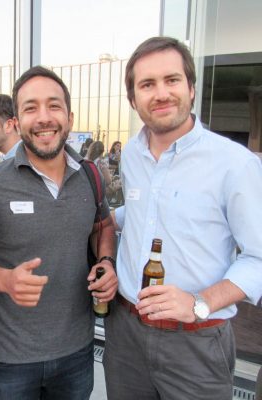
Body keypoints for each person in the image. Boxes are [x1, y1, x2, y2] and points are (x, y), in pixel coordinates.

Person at [103, 36, 262, 400]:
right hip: (125, 334)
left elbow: (258, 257)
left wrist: (199, 302)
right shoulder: (132, 155)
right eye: (147, 84)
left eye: (171, 80)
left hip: (196, 341)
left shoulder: (235, 164)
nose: (161, 93)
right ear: (133, 99)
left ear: (191, 88)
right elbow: (145, 211)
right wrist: (104, 222)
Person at [0, 65, 118, 400]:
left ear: (70, 118)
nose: (44, 117)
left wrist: (106, 260)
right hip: (11, 358)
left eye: (54, 106)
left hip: (78, 351)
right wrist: (6, 280)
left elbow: (103, 225)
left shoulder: (89, 176)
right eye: (31, 108)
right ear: (17, 122)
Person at [86, 141, 122, 205]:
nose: (118, 147)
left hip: (89, 188)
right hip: (100, 189)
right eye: (117, 145)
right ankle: (116, 202)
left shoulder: (85, 161)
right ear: (102, 151)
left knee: (116, 178)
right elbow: (108, 181)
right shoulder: (101, 162)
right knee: (120, 182)